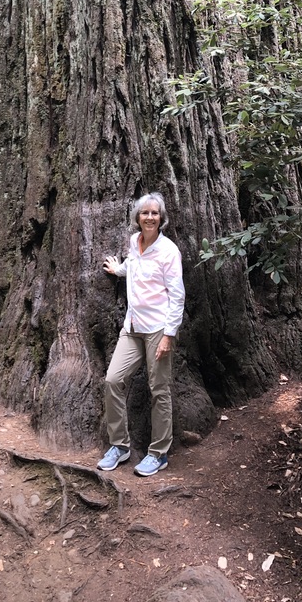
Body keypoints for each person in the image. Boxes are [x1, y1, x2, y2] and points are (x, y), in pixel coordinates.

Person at [97, 192, 185, 477]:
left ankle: (158, 453)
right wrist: (118, 270)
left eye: (154, 213)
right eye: (145, 213)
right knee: (112, 380)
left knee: (158, 390)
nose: (149, 217)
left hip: (159, 329)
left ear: (161, 219)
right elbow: (134, 268)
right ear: (137, 217)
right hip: (132, 327)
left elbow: (177, 295)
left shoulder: (168, 250)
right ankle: (120, 447)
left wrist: (169, 336)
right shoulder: (134, 243)